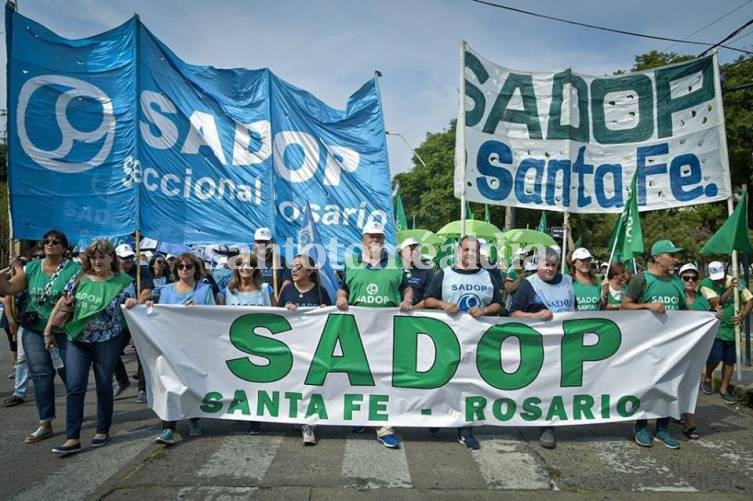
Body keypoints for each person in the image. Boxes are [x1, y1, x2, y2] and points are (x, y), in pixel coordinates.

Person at [46, 239, 138, 456]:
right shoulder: (79, 278)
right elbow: (62, 303)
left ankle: (102, 430)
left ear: (111, 258)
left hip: (108, 340)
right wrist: (49, 329)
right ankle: (72, 438)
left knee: (104, 385)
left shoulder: (124, 282)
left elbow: (133, 305)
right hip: (78, 339)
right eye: (94, 257)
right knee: (75, 388)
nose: (97, 261)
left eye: (102, 256)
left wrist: (134, 302)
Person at [336, 221, 412, 449]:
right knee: (358, 376)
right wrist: (341, 298)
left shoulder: (395, 263)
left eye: (379, 236)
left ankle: (384, 426)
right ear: (363, 240)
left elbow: (405, 287)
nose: (376, 240)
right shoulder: (351, 263)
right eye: (371, 236)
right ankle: (361, 417)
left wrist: (408, 298)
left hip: (387, 330)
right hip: (358, 331)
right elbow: (344, 288)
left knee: (383, 378)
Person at [0, 230, 81, 443]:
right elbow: (9, 288)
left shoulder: (74, 270)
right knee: (41, 376)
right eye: (46, 241)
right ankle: (45, 423)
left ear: (64, 247)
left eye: (55, 242)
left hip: (64, 333)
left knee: (71, 377)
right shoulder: (32, 267)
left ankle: (75, 420)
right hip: (34, 331)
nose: (50, 244)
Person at [424, 236, 503, 450]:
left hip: (476, 342)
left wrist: (485, 310)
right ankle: (438, 417)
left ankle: (465, 430)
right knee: (444, 381)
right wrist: (443, 304)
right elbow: (428, 299)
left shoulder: (488, 275)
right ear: (459, 250)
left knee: (469, 386)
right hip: (447, 341)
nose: (470, 253)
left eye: (474, 250)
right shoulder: (445, 274)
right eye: (466, 249)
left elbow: (499, 303)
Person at [622, 239, 686, 449]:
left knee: (668, 387)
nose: (675, 259)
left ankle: (662, 429)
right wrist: (647, 305)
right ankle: (640, 425)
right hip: (647, 346)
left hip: (672, 347)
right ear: (658, 257)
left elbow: (686, 313)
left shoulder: (677, 282)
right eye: (671, 255)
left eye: (676, 255)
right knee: (645, 386)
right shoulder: (642, 279)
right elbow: (625, 306)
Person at [509, 246, 574, 449]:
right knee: (539, 386)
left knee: (556, 387)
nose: (550, 269)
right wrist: (535, 316)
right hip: (537, 345)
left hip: (564, 345)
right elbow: (512, 313)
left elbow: (575, 310)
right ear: (538, 264)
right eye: (546, 265)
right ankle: (539, 422)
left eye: (554, 265)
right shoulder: (529, 285)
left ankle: (549, 424)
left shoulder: (567, 282)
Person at [150, 252, 216, 444]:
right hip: (170, 345)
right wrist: (148, 307)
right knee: (169, 385)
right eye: (181, 267)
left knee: (192, 384)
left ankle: (194, 419)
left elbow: (214, 315)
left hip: (196, 346)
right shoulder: (166, 290)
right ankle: (168, 427)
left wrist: (200, 309)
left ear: (196, 269)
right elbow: (159, 315)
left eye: (189, 266)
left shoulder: (204, 290)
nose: (184, 270)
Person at [279, 254, 332, 445]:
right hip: (292, 347)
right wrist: (285, 306)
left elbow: (329, 317)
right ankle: (298, 416)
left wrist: (325, 309)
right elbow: (276, 315)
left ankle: (309, 424)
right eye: (293, 266)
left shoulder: (320, 291)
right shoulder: (286, 290)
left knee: (311, 385)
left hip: (313, 347)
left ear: (310, 272)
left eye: (299, 267)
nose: (294, 270)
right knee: (295, 384)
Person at [699, 261, 753, 402]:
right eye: (715, 277)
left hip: (732, 329)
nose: (719, 280)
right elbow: (717, 302)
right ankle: (708, 376)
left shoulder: (735, 281)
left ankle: (723, 389)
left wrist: (742, 315)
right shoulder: (705, 284)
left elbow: (749, 300)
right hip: (715, 328)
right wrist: (731, 289)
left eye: (721, 276)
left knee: (730, 361)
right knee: (715, 357)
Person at [113, 243, 155, 399]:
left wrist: (135, 303)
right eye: (124, 258)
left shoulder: (141, 271)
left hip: (138, 318)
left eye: (130, 257)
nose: (128, 260)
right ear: (116, 259)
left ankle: (143, 389)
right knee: (111, 353)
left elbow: (147, 291)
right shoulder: (112, 273)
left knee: (142, 355)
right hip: (119, 321)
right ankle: (122, 380)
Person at [677, 262, 709, 441]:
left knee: (691, 384)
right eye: (686, 277)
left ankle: (690, 421)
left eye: (694, 278)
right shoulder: (676, 297)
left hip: (695, 350)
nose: (690, 281)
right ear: (680, 278)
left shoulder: (703, 301)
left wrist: (716, 315)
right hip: (675, 350)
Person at [252, 227, 290, 304]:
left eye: (265, 241)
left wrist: (278, 300)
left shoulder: (280, 260)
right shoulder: (248, 260)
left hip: (275, 303)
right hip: (253, 302)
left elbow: (287, 282)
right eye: (259, 242)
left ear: (271, 243)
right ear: (254, 243)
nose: (262, 244)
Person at [399, 238, 435, 309]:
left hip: (418, 312)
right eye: (411, 249)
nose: (414, 252)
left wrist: (414, 309)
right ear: (401, 253)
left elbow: (430, 296)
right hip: (393, 311)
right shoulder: (394, 269)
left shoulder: (426, 270)